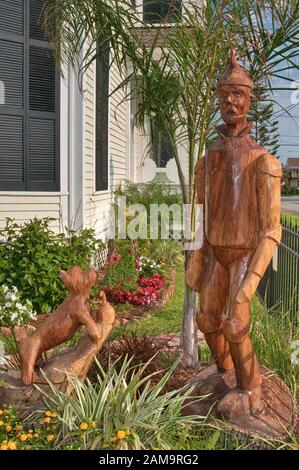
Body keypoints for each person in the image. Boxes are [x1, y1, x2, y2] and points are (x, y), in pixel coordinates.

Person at [186, 49, 282, 418]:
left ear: (248, 100)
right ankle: (225, 373)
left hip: (244, 254)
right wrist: (195, 257)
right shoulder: (207, 159)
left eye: (238, 94)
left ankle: (252, 387)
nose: (231, 101)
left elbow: (271, 230)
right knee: (207, 320)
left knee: (237, 322)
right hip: (214, 253)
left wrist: (251, 281)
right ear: (218, 99)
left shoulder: (263, 161)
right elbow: (197, 212)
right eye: (225, 94)